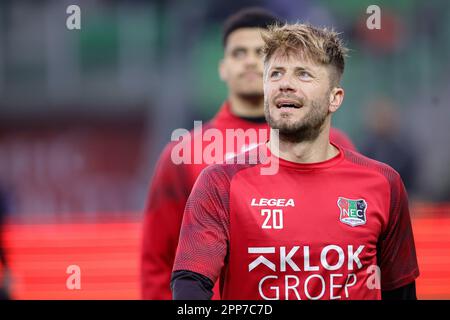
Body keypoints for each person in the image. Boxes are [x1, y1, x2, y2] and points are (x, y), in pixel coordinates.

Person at [171, 23, 419, 300]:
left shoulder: (384, 184)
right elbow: (189, 289)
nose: (285, 84)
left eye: (303, 74)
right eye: (275, 73)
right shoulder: (220, 183)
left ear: (334, 98)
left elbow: (401, 291)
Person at [141, 8, 355, 300]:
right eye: (239, 53)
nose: (251, 61)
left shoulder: (335, 144)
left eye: (260, 53)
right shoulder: (184, 153)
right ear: (222, 68)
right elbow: (159, 259)